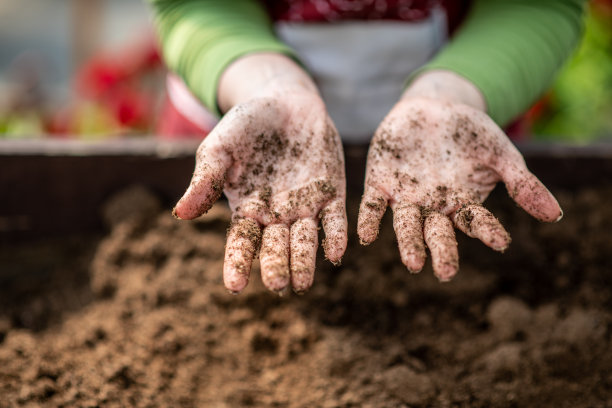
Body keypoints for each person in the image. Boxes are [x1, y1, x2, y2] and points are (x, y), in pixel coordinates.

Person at [146, 0, 585, 294]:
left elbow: (537, 5)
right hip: (254, 135)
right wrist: (266, 83)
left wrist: (450, 93)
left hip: (448, 147)